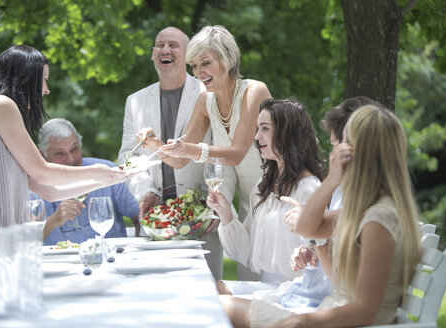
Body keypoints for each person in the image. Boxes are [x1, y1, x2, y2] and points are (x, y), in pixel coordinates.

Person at [220, 104, 422, 328]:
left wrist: (298, 322)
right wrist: (332, 180)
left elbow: (366, 312)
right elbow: (308, 229)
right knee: (214, 305)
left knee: (215, 307)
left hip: (332, 318)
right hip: (328, 310)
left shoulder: (379, 219)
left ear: (361, 153)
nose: (334, 153)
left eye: (341, 145)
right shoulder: (363, 210)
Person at [140, 25, 272, 280]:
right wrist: (154, 144)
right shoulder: (206, 101)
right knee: (248, 285)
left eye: (206, 63)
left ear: (227, 58)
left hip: (276, 198)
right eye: (194, 66)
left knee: (276, 290)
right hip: (247, 206)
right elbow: (179, 161)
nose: (199, 72)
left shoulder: (254, 92)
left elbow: (236, 153)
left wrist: (188, 149)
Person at [117, 26, 223, 280]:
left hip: (202, 215)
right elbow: (127, 157)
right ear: (153, 54)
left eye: (173, 45)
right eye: (159, 45)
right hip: (155, 217)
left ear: (187, 55)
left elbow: (223, 153)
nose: (165, 50)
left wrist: (221, 199)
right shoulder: (135, 101)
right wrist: (146, 192)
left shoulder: (209, 93)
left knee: (206, 296)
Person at [0, 45, 130, 227]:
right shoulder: (2, 105)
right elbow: (43, 172)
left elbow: (51, 192)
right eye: (43, 80)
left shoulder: (8, 117)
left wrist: (110, 178)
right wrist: (95, 171)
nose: (46, 89)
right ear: (26, 78)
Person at [206, 98, 326, 295]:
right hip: (269, 288)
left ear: (286, 133)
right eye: (257, 129)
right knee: (210, 289)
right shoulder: (263, 185)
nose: (256, 136)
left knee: (216, 295)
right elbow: (246, 252)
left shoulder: (309, 189)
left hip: (299, 291)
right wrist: (225, 214)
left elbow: (319, 255)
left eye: (264, 129)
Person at [279, 96, 381, 310]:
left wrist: (315, 233)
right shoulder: (348, 190)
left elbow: (344, 285)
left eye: (336, 145)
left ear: (352, 147)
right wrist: (312, 249)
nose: (332, 154)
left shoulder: (364, 200)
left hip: (321, 304)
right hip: (310, 297)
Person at [34, 118, 140, 245]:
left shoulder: (108, 171)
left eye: (74, 149)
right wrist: (55, 220)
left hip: (110, 259)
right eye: (60, 153)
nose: (71, 159)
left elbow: (139, 217)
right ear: (42, 155)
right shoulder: (33, 187)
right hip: (58, 263)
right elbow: (23, 242)